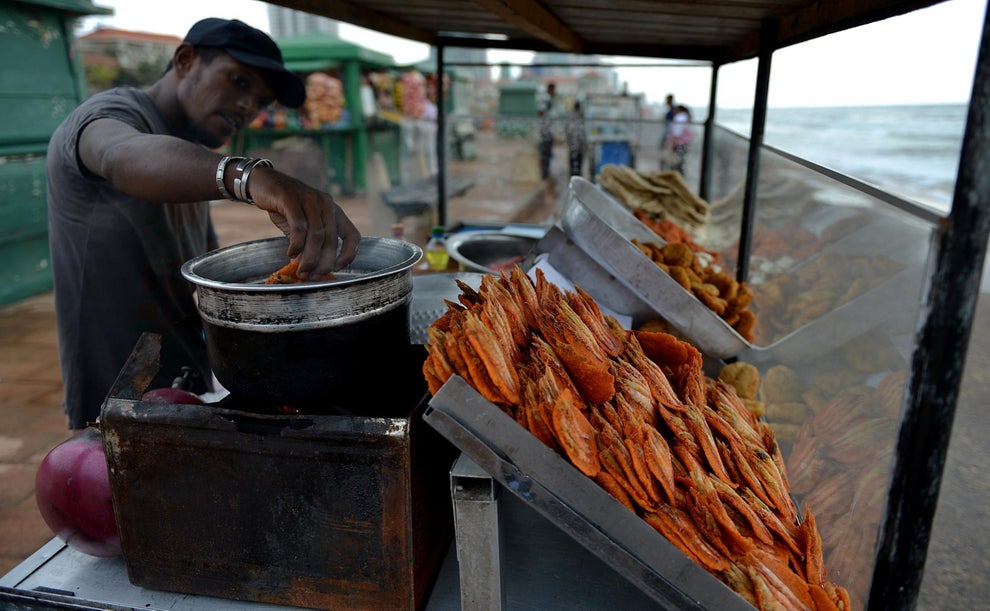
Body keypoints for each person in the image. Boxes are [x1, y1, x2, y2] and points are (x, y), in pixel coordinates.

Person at [46, 18, 362, 430]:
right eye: (239, 81)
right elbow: (118, 154)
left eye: (262, 102)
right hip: (115, 395)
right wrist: (249, 176)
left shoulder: (190, 156)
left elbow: (202, 277)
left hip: (181, 380)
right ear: (185, 60)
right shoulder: (109, 115)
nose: (249, 107)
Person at [537, 82, 557, 180]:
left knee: (547, 153)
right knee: (545, 152)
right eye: (554, 90)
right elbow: (540, 111)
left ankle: (546, 172)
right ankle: (544, 174)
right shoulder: (546, 99)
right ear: (551, 89)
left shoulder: (547, 99)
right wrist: (545, 123)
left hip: (547, 130)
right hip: (546, 131)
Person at [667, 103, 693, 175]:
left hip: (679, 142)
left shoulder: (679, 117)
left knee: (678, 162)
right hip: (683, 142)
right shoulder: (684, 117)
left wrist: (673, 142)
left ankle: (678, 176)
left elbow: (677, 132)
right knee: (680, 161)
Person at [566, 101, 587, 178]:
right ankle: (576, 179)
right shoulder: (581, 118)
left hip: (573, 147)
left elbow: (568, 133)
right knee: (577, 166)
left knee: (573, 166)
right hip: (578, 147)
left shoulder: (570, 118)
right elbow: (583, 134)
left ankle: (573, 180)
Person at [659, 93, 676, 171]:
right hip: (668, 135)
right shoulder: (671, 110)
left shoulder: (673, 111)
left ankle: (668, 171)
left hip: (670, 136)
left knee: (668, 155)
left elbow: (672, 126)